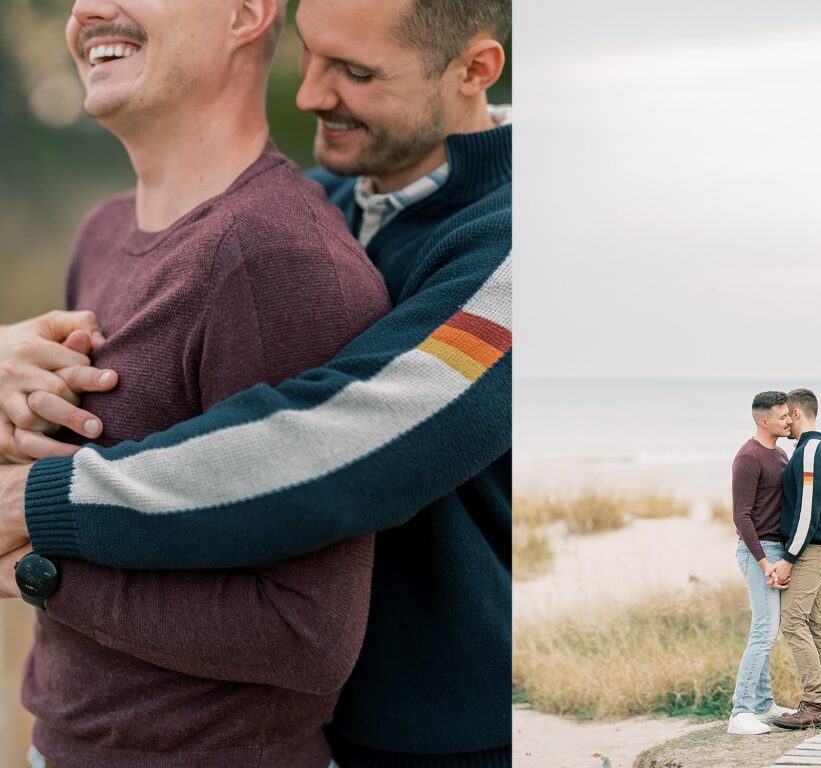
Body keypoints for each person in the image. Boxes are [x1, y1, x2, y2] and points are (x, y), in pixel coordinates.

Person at [0, 0, 512, 765]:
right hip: (333, 727)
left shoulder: (515, 258)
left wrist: (39, 510)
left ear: (475, 69)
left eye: (355, 71)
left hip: (457, 739)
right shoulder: (333, 199)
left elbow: (339, 442)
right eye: (310, 52)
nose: (307, 93)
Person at [768, 388, 821, 730]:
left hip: (811, 550)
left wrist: (788, 558)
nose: (784, 421)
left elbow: (808, 511)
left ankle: (815, 704)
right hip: (818, 547)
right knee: (812, 623)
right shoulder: (820, 447)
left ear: (797, 413)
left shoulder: (810, 451)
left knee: (793, 622)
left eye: (786, 415)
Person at [727, 391, 798, 736]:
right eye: (782, 416)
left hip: (777, 550)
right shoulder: (748, 457)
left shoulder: (780, 454)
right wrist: (763, 562)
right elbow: (741, 516)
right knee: (764, 631)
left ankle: (764, 704)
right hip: (759, 552)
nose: (789, 420)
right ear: (764, 421)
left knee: (768, 628)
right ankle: (740, 712)